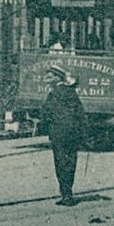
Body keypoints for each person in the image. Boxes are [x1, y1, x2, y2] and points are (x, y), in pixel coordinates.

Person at [39, 64, 87, 206]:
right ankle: (68, 193)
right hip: (73, 133)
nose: (47, 79)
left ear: (56, 78)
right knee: (71, 161)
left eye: (49, 76)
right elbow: (80, 113)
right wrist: (83, 134)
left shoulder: (53, 94)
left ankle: (66, 195)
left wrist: (44, 127)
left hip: (59, 133)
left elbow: (46, 113)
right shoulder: (71, 92)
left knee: (60, 162)